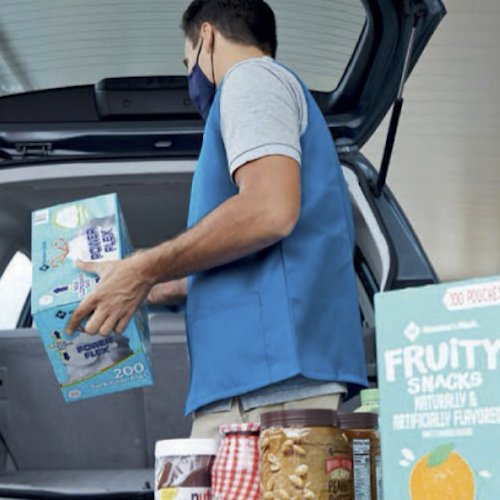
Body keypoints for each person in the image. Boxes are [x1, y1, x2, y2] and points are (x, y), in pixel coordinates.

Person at [67, 0, 367, 438]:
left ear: (206, 36)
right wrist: (154, 282)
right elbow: (258, 256)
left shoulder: (250, 78)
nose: (191, 76)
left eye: (187, 62)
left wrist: (143, 267)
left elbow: (269, 211)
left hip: (273, 388)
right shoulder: (264, 88)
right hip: (258, 384)